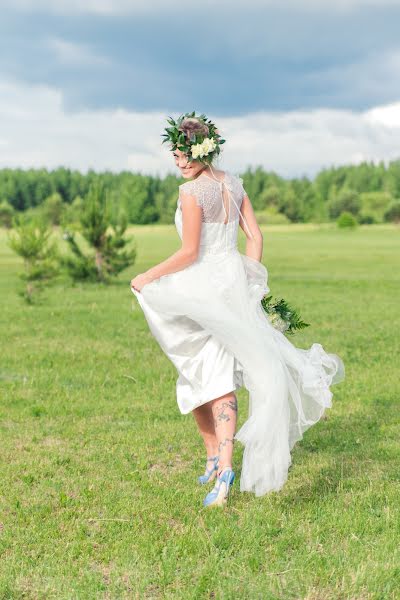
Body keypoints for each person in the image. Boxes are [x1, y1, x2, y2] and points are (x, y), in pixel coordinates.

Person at [130, 112, 345, 508]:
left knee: (212, 376)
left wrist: (148, 274)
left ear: (200, 152)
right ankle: (215, 456)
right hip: (233, 283)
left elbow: (190, 251)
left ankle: (224, 468)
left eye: (182, 155)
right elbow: (255, 237)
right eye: (174, 155)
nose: (178, 162)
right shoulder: (234, 184)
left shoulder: (191, 193)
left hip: (202, 287)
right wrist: (251, 280)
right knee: (196, 371)